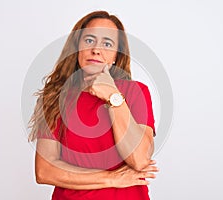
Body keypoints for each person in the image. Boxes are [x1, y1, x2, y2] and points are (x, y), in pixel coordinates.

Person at [28, 10, 158, 200]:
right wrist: (112, 178)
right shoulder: (55, 97)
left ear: (116, 55)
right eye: (89, 40)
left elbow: (139, 159)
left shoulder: (135, 92)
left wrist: (113, 95)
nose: (96, 49)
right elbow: (45, 171)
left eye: (107, 44)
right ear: (76, 48)